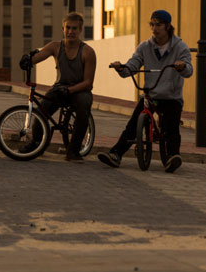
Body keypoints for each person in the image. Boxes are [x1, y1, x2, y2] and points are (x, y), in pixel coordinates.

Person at [98, 9, 193, 173]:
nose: (155, 28)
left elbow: (189, 70)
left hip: (171, 96)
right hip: (152, 94)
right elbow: (133, 65)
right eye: (152, 24)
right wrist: (122, 68)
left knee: (171, 127)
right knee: (133, 124)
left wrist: (182, 66)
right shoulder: (145, 47)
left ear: (168, 26)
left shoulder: (180, 47)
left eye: (159, 25)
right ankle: (115, 154)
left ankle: (172, 157)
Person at [18, 12, 96, 162]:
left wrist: (70, 90)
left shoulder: (88, 52)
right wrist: (27, 60)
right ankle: (36, 144)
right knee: (41, 112)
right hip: (59, 87)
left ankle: (73, 151)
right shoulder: (55, 46)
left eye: (74, 28)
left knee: (83, 108)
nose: (71, 32)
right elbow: (38, 57)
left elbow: (88, 82)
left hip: (79, 90)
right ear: (63, 28)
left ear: (80, 30)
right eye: (68, 28)